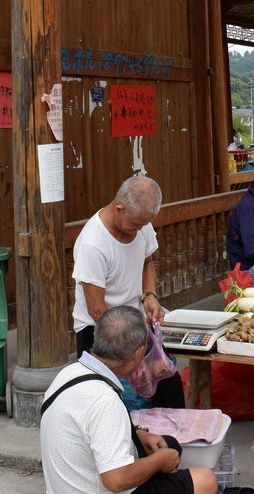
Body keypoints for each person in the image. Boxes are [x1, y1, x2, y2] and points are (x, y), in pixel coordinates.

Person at [41, 306, 217, 494]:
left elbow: (89, 428)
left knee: (170, 445)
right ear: (137, 353)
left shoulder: (69, 373)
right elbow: (116, 480)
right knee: (205, 480)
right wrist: (159, 461)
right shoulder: (104, 400)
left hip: (74, 482)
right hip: (105, 485)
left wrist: (140, 435)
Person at [72, 175, 184, 408]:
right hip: (102, 331)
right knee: (111, 401)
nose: (140, 230)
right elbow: (96, 309)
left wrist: (149, 295)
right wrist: (132, 354)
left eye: (144, 225)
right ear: (119, 207)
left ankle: (173, 441)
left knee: (168, 384)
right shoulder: (92, 244)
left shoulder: (140, 221)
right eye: (135, 224)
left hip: (135, 323)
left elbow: (147, 262)